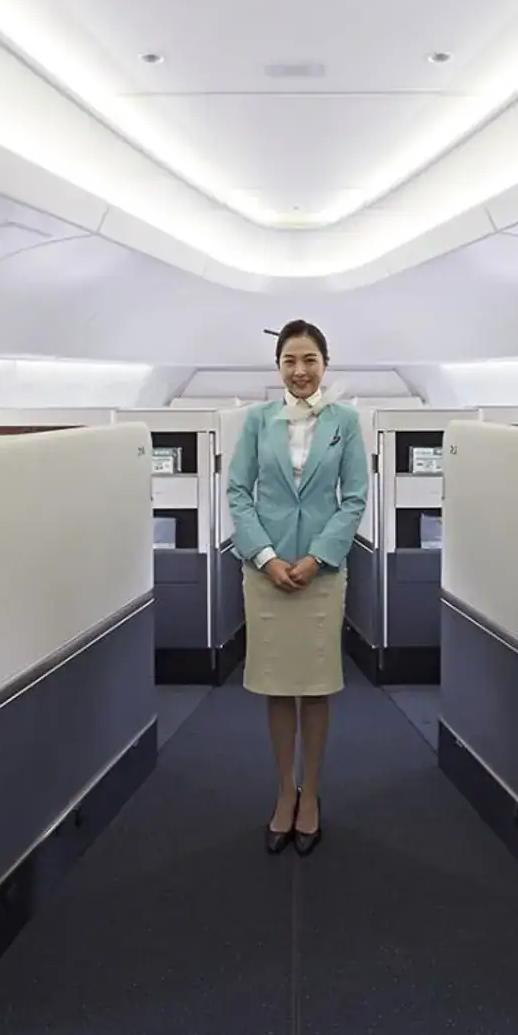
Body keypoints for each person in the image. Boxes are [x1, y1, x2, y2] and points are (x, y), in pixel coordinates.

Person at [227, 319, 368, 856]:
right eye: (291, 361)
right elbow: (238, 492)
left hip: (321, 572)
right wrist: (265, 557)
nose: (301, 370)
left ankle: (312, 794)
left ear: (324, 364)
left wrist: (316, 558)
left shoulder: (345, 422)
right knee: (277, 685)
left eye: (310, 360)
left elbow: (353, 497)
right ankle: (284, 792)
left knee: (314, 684)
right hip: (266, 571)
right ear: (279, 366)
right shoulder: (258, 421)